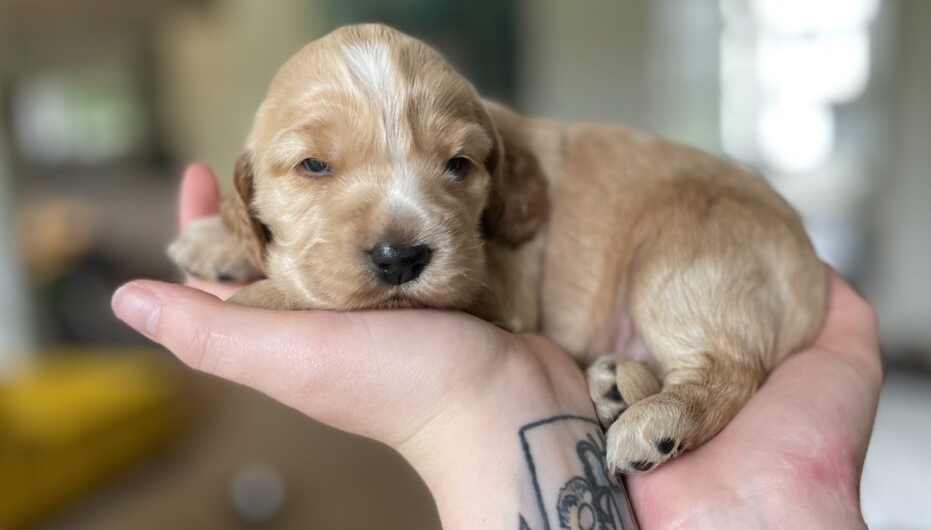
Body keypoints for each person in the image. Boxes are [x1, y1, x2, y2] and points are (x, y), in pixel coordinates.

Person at [112, 164, 882, 529]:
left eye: (447, 165)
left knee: (682, 261)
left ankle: (705, 383)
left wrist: (281, 282)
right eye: (316, 166)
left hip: (710, 234)